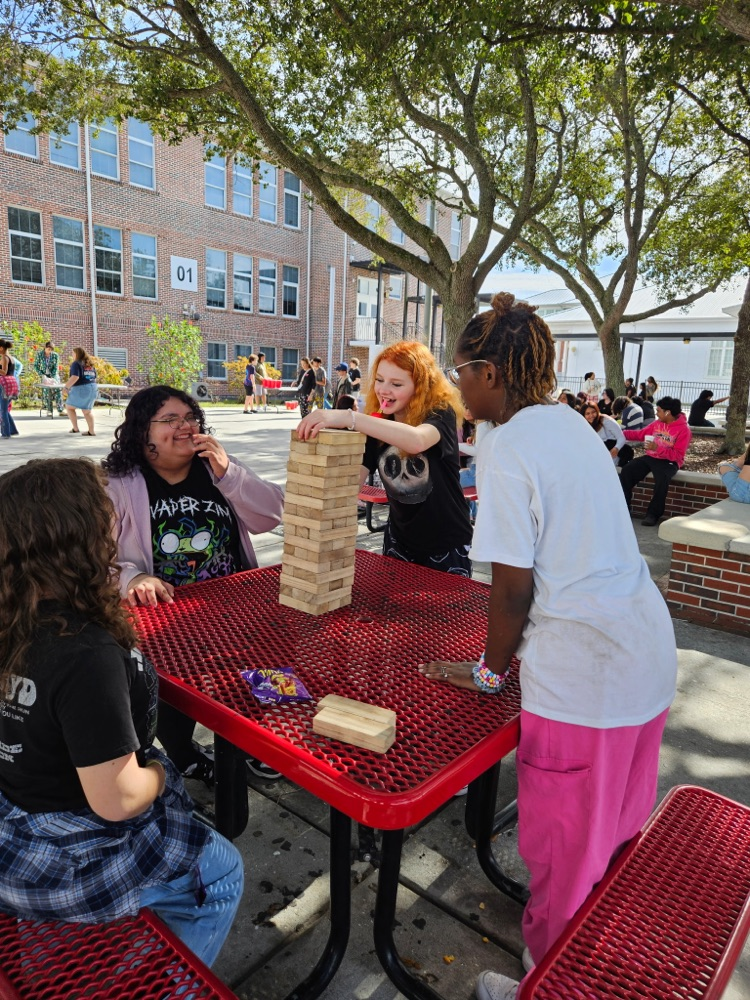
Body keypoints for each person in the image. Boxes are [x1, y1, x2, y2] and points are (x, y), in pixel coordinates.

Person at [416, 293, 676, 1000]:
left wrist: (490, 673)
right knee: (614, 844)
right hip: (644, 663)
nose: (453, 384)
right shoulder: (565, 423)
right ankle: (595, 970)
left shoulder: (511, 447)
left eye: (460, 369)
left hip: (585, 680)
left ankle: (549, 987)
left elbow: (512, 591)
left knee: (563, 857)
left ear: (493, 374)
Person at [0, 458, 243, 968]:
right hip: (72, 853)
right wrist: (159, 771)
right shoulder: (85, 654)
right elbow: (119, 799)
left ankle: (63, 954)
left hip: (15, 827)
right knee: (224, 873)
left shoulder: (14, 620)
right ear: (80, 537)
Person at [102, 385, 285, 784]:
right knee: (174, 691)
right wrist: (135, 577)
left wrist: (229, 474)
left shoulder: (217, 467)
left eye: (191, 418)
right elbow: (94, 559)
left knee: (266, 664)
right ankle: (184, 754)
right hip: (165, 618)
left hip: (236, 606)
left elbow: (272, 514)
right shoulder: (117, 485)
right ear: (141, 432)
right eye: (170, 420)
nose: (185, 427)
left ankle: (270, 741)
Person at [297, 341, 473, 577]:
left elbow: (417, 440)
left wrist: (349, 417)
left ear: (420, 386)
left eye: (396, 384)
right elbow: (350, 484)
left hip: (446, 544)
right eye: (379, 380)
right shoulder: (378, 424)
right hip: (398, 541)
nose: (383, 390)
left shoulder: (440, 414)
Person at [620, 396, 692, 526]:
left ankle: (653, 514)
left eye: (658, 411)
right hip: (651, 457)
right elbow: (640, 434)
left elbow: (678, 455)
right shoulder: (657, 423)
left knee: (662, 479)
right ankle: (623, 508)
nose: (656, 414)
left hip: (668, 461)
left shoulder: (684, 430)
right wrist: (620, 433)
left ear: (667, 412)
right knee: (627, 470)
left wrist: (657, 448)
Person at [582, 402, 633, 467]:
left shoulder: (605, 420)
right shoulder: (585, 425)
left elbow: (621, 437)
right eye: (587, 413)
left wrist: (616, 448)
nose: (591, 415)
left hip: (612, 452)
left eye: (593, 412)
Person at [64, 346, 98, 436]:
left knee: (69, 407)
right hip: (93, 387)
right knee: (87, 411)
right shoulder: (90, 364)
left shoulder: (76, 363)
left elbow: (75, 377)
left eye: (73, 353)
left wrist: (66, 387)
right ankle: (91, 431)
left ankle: (75, 428)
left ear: (77, 354)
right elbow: (94, 377)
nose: (72, 355)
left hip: (81, 388)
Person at [34, 340, 64, 417]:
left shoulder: (55, 355)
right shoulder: (39, 355)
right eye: (48, 349)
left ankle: (60, 409)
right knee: (47, 392)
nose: (49, 351)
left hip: (54, 375)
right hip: (44, 375)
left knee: (58, 390)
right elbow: (36, 366)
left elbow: (56, 367)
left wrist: (53, 377)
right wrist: (42, 375)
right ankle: (49, 410)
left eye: (51, 350)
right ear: (45, 347)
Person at [0, 340, 19, 439]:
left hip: (5, 384)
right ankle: (12, 430)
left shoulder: (4, 358)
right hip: (12, 383)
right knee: (5, 409)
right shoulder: (11, 357)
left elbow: (4, 372)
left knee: (2, 410)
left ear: (1, 348)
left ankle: (6, 433)